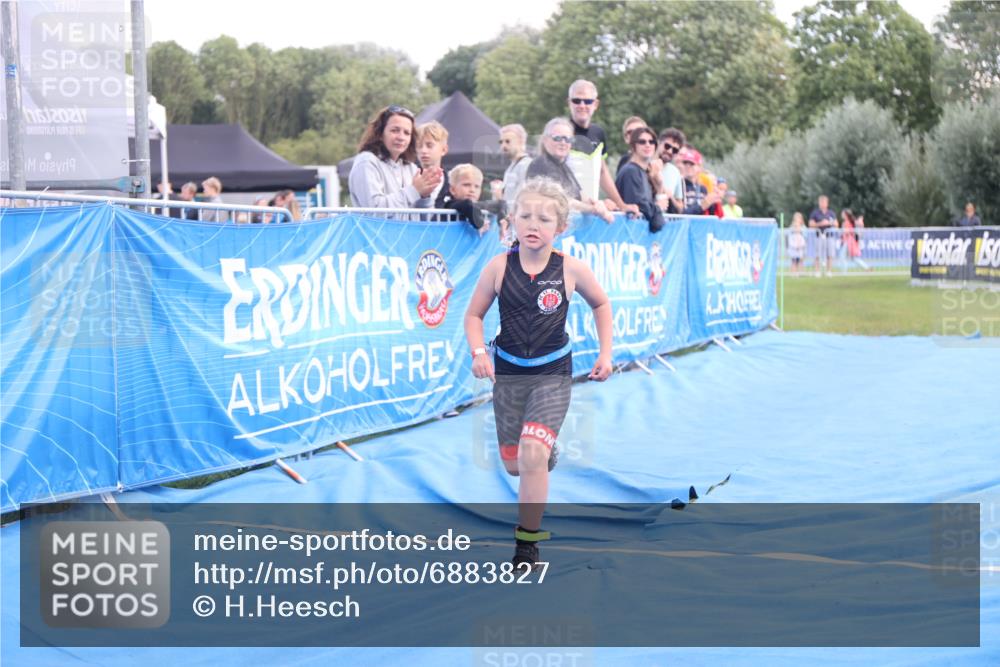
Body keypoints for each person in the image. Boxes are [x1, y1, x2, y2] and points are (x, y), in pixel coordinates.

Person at [464, 176, 613, 568]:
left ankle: (527, 544)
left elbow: (601, 304)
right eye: (525, 216)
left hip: (552, 374)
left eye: (544, 219)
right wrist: (479, 351)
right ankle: (544, 452)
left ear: (560, 228)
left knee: (530, 454)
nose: (533, 224)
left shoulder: (571, 269)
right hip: (510, 375)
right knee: (516, 465)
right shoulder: (498, 267)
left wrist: (606, 353)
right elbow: (473, 315)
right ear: (512, 219)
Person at [564, 79, 639, 216]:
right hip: (566, 213)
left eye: (587, 101)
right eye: (576, 100)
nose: (582, 105)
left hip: (590, 213)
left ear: (596, 104)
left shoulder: (598, 133)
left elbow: (602, 172)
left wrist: (621, 205)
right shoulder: (560, 132)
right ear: (569, 102)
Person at [348, 105, 442, 209]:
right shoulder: (366, 162)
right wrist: (414, 191)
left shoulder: (412, 168)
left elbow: (423, 220)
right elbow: (375, 210)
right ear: (380, 133)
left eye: (407, 133)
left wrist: (425, 197)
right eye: (395, 130)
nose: (401, 137)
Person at [525, 117, 614, 223]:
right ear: (545, 140)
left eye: (568, 139)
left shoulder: (564, 167)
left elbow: (582, 197)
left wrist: (599, 204)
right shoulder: (541, 164)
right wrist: (594, 210)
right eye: (557, 138)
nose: (563, 142)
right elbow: (561, 200)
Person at [614, 126, 664, 232]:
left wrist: (659, 186)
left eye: (652, 142)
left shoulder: (644, 173)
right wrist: (658, 207)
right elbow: (640, 206)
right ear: (633, 146)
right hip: (628, 235)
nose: (648, 145)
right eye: (642, 142)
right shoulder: (631, 171)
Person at [443, 163, 490, 232]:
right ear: (453, 190)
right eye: (466, 185)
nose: (472, 190)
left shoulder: (476, 206)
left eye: (477, 186)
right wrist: (480, 224)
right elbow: (467, 205)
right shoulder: (450, 205)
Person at [415, 121, 451, 207]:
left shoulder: (452, 182)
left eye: (429, 145)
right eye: (419, 146)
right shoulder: (407, 177)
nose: (423, 150)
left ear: (444, 150)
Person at [678, 147, 722, 216]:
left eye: (692, 164)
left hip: (699, 226)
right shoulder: (679, 185)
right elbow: (679, 213)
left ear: (699, 167)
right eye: (685, 163)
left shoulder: (703, 188)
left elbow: (711, 213)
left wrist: (715, 201)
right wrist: (701, 206)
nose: (688, 166)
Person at [657, 128, 686, 213]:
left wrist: (671, 197)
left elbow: (680, 208)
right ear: (659, 143)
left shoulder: (675, 172)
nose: (669, 151)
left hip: (665, 222)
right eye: (667, 146)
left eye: (675, 150)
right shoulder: (646, 165)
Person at [808, 195, 838, 277]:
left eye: (824, 202)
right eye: (821, 202)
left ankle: (829, 271)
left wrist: (829, 223)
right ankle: (817, 271)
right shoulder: (815, 213)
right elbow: (811, 224)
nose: (822, 203)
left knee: (830, 254)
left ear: (827, 203)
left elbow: (836, 224)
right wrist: (820, 224)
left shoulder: (831, 213)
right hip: (819, 236)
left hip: (829, 237)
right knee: (817, 254)